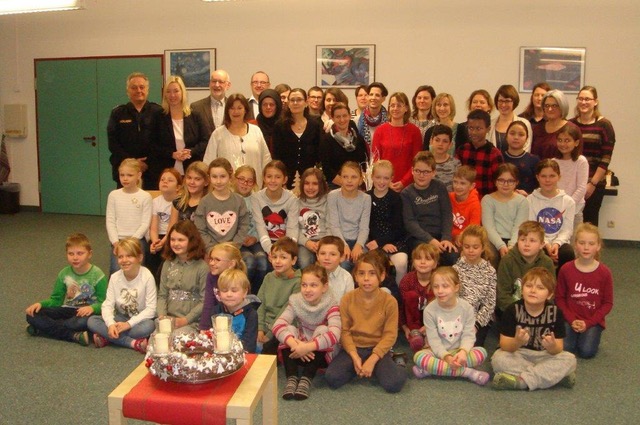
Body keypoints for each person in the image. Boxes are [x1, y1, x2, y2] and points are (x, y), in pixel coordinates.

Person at [324, 251, 407, 393]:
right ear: (356, 277)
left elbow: (390, 334)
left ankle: (395, 362)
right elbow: (345, 331)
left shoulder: (389, 301)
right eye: (361, 274)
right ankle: (362, 366)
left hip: (378, 348)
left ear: (382, 276)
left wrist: (373, 358)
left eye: (372, 274)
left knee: (394, 383)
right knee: (332, 378)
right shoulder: (347, 299)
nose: (366, 279)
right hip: (353, 347)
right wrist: (354, 356)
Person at [492, 267, 577, 390]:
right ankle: (552, 377)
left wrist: (552, 346)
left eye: (540, 288)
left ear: (550, 295)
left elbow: (558, 349)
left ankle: (522, 382)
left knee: (570, 359)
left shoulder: (555, 312)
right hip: (519, 354)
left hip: (545, 355)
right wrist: (517, 342)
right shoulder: (512, 310)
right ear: (522, 290)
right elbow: (504, 345)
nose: (533, 290)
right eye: (528, 286)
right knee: (498, 359)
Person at [273, 264, 341, 400]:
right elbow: (277, 325)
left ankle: (306, 379)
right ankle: (292, 378)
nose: (307, 290)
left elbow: (335, 334)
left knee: (323, 330)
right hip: (298, 351)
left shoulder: (332, 305)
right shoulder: (296, 301)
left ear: (324, 287)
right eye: (304, 285)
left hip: (319, 356)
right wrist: (295, 344)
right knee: (289, 330)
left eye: (313, 285)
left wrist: (308, 347)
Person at [413, 267, 490, 386]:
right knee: (418, 357)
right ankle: (468, 372)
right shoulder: (429, 310)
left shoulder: (467, 308)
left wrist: (463, 351)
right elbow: (434, 340)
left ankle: (432, 370)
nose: (440, 291)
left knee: (481, 352)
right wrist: (447, 357)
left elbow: (468, 335)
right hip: (438, 353)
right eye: (436, 286)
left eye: (445, 286)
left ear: (456, 287)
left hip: (459, 352)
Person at [25, 233, 107, 346]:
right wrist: (40, 304)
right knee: (32, 315)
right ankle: (73, 335)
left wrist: (92, 308)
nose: (75, 257)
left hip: (86, 314)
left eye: (80, 253)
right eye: (71, 254)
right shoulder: (64, 273)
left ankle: (44, 327)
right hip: (68, 310)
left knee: (81, 322)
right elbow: (56, 300)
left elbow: (105, 303)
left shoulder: (98, 274)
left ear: (90, 254)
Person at [87, 238, 157, 352]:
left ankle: (108, 338)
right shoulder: (115, 277)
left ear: (139, 257)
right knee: (92, 321)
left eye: (129, 256)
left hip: (139, 320)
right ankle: (133, 343)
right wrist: (111, 324)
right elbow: (107, 305)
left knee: (149, 326)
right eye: (120, 257)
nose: (124, 260)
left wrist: (129, 324)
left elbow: (151, 309)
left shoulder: (147, 276)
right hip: (120, 317)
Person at [556, 223, 613, 359]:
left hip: (592, 320)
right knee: (565, 348)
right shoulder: (566, 269)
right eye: (582, 243)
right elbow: (559, 298)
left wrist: (589, 323)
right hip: (570, 318)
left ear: (598, 246)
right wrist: (571, 319)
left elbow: (608, 303)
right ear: (575, 245)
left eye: (591, 244)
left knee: (586, 351)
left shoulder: (605, 273)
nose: (586, 247)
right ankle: (575, 334)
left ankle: (587, 334)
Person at [569, 86, 616, 226]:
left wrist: (592, 184)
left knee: (589, 224)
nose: (583, 102)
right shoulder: (570, 124)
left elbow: (605, 159)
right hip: (572, 183)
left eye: (587, 99)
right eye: (580, 99)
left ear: (595, 102)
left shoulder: (604, 125)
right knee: (569, 223)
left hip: (594, 184)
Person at [202, 93, 272, 188]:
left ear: (245, 110)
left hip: (254, 188)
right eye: (232, 108)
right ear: (227, 111)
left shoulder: (256, 131)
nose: (236, 112)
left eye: (239, 108)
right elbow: (208, 162)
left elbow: (266, 160)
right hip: (228, 189)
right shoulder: (218, 134)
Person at [107, 72, 162, 189]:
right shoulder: (118, 113)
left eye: (142, 87)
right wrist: (134, 163)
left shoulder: (158, 112)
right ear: (128, 91)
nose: (138, 90)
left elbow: (163, 141)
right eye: (134, 87)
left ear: (147, 89)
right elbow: (113, 144)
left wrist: (146, 163)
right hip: (126, 170)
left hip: (152, 169)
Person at [401, 151, 456, 265]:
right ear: (412, 171)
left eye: (426, 172)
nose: (421, 175)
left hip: (440, 236)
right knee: (426, 256)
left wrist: (446, 238)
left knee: (453, 257)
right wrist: (430, 240)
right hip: (418, 238)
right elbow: (410, 223)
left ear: (433, 173)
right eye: (418, 171)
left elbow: (447, 214)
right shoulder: (406, 193)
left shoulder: (440, 187)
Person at [152, 76, 208, 181]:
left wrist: (191, 152)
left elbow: (205, 140)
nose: (172, 95)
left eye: (176, 91)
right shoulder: (158, 117)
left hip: (192, 171)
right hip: (166, 172)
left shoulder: (195, 115)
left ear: (182, 93)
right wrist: (172, 154)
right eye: (168, 91)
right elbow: (153, 144)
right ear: (164, 94)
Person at [157, 220, 208, 332]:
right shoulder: (167, 264)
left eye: (181, 240)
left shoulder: (202, 267)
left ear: (192, 241)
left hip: (191, 322)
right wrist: (162, 317)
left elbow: (204, 300)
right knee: (157, 339)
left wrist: (186, 320)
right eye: (172, 239)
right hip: (169, 318)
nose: (175, 244)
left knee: (177, 338)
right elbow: (162, 295)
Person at [106, 158, 153, 275]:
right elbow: (110, 221)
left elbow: (145, 223)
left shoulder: (145, 196)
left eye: (129, 175)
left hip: (137, 239)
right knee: (115, 270)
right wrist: (115, 242)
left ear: (139, 175)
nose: (125, 178)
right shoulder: (113, 195)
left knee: (137, 270)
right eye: (122, 175)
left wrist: (132, 241)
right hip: (118, 240)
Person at [496, 221, 555, 313]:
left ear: (542, 245)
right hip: (511, 311)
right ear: (517, 240)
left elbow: (550, 293)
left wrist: (536, 311)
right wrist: (521, 312)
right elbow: (502, 295)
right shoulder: (507, 261)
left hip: (539, 311)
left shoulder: (547, 263)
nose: (526, 244)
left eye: (532, 240)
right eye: (523, 240)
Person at [366, 160, 409, 284]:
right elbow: (367, 225)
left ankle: (400, 291)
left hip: (394, 241)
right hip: (373, 241)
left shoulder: (396, 198)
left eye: (386, 178)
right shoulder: (366, 197)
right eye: (378, 177)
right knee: (372, 264)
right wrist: (379, 244)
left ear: (392, 178)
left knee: (401, 262)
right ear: (372, 177)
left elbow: (399, 227)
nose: (381, 181)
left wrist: (383, 242)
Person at [528, 159, 576, 271]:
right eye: (543, 176)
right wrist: (546, 244)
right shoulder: (530, 200)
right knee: (538, 253)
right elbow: (532, 228)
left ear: (559, 177)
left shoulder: (568, 202)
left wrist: (556, 244)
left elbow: (567, 230)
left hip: (560, 243)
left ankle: (561, 281)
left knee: (567, 253)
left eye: (552, 176)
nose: (547, 180)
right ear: (537, 177)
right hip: (538, 241)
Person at [453, 225, 496, 347]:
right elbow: (451, 298)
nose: (470, 250)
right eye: (467, 247)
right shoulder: (455, 269)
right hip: (457, 317)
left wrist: (476, 325)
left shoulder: (490, 271)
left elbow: (490, 303)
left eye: (475, 247)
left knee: (471, 349)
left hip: (479, 320)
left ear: (483, 247)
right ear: (462, 246)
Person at [256, 237, 301, 355]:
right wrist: (260, 328)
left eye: (283, 257)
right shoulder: (268, 277)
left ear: (293, 260)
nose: (277, 261)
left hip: (283, 327)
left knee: (268, 351)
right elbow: (260, 304)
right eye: (274, 257)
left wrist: (270, 334)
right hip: (264, 325)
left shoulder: (298, 282)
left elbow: (286, 311)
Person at [371, 92, 423, 192]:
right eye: (392, 105)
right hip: (383, 184)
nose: (395, 108)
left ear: (406, 108)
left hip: (408, 186)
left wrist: (404, 182)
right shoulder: (380, 131)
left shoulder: (415, 131)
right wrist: (386, 181)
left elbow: (417, 161)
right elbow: (375, 160)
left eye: (399, 105)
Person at [194, 157, 250, 250]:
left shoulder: (239, 201)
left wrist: (233, 247)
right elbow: (200, 230)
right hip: (211, 250)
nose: (218, 181)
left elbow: (243, 226)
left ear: (230, 177)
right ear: (209, 178)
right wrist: (212, 249)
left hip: (233, 249)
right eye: (214, 177)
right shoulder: (204, 202)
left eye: (223, 176)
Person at [481, 163, 529, 267]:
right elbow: (489, 227)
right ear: (495, 182)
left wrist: (511, 246)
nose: (505, 184)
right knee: (491, 255)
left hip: (515, 238)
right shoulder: (487, 200)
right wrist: (501, 246)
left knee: (518, 255)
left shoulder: (522, 201)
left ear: (516, 182)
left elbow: (519, 227)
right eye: (501, 180)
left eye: (510, 181)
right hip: (493, 239)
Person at [272, 89, 323, 188]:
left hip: (310, 181)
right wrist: (281, 180)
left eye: (299, 100)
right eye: (292, 100)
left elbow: (319, 154)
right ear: (288, 103)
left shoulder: (315, 125)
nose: (295, 103)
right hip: (285, 181)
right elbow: (276, 156)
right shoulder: (280, 126)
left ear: (306, 102)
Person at [327, 161, 371, 271]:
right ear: (340, 179)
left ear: (360, 180)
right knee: (344, 264)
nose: (349, 180)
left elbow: (364, 227)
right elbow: (334, 225)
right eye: (345, 177)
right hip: (339, 240)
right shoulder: (333, 196)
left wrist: (359, 245)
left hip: (358, 240)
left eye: (354, 177)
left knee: (363, 264)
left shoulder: (366, 198)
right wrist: (344, 245)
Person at [250, 160, 299, 255]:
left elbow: (292, 228)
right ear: (264, 178)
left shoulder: (292, 200)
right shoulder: (256, 198)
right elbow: (260, 227)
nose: (273, 180)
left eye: (277, 177)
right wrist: (271, 251)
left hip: (285, 245)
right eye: (269, 176)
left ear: (284, 180)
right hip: (265, 243)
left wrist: (286, 251)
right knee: (262, 261)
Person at [233, 165, 268, 295]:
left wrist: (255, 238)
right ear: (234, 179)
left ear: (254, 184)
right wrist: (240, 238)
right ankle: (242, 294)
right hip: (236, 241)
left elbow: (261, 223)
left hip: (253, 239)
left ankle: (256, 295)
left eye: (249, 181)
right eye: (241, 179)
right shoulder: (230, 199)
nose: (245, 183)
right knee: (249, 261)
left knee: (263, 262)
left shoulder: (257, 200)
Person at [199, 243, 248, 331]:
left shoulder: (239, 280)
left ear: (231, 264)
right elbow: (208, 304)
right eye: (211, 259)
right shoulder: (211, 276)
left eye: (217, 260)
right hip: (217, 322)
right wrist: (204, 328)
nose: (211, 263)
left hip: (238, 326)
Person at [399, 243, 438, 352]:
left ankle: (430, 334)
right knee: (411, 296)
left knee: (436, 295)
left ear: (435, 264)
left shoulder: (438, 280)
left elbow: (443, 306)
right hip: (412, 321)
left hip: (433, 321)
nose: (423, 262)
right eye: (418, 258)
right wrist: (405, 327)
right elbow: (401, 306)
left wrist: (430, 326)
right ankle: (415, 333)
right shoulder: (407, 280)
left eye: (428, 259)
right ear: (413, 262)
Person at [456, 109, 504, 197]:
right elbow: (456, 176)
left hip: (486, 200)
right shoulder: (462, 150)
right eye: (471, 128)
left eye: (479, 129)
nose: (474, 132)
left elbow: (499, 181)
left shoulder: (494, 154)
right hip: (465, 199)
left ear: (488, 129)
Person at [319, 102, 368, 188]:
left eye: (344, 116)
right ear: (332, 118)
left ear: (349, 116)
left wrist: (358, 181)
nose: (342, 120)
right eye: (338, 117)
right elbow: (327, 169)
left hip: (357, 185)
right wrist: (347, 184)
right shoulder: (326, 140)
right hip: (335, 186)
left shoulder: (358, 138)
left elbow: (364, 163)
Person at [211, 269, 260, 353]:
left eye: (234, 291)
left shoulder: (251, 314)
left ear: (245, 292)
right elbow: (211, 338)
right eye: (224, 290)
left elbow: (249, 346)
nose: (229, 294)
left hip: (243, 354)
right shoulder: (216, 311)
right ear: (219, 293)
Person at [147, 169, 182, 279]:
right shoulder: (155, 202)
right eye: (162, 180)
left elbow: (173, 226)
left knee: (166, 256)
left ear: (178, 187)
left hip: (173, 236)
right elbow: (153, 228)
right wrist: (155, 242)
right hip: (159, 236)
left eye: (170, 180)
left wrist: (162, 243)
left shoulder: (180, 201)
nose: (165, 182)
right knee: (151, 254)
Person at [553, 124, 588, 226]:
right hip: (555, 210)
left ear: (576, 143)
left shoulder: (581, 161)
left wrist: (567, 205)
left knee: (575, 236)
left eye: (567, 140)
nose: (563, 144)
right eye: (560, 140)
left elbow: (581, 188)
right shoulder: (554, 162)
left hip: (575, 210)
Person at [297, 168, 330, 269]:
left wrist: (323, 242)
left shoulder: (328, 201)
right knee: (304, 261)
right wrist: (307, 242)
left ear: (321, 185)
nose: (310, 187)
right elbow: (294, 229)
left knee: (327, 261)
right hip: (305, 241)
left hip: (325, 240)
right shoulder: (296, 203)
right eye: (307, 183)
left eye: (315, 184)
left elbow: (331, 225)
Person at [531, 89, 579, 160]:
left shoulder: (572, 129)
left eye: (554, 105)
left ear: (562, 106)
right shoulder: (537, 129)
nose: (550, 109)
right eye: (547, 105)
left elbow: (576, 157)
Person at [488, 85, 533, 152]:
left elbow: (526, 150)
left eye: (507, 101)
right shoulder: (490, 124)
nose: (503, 105)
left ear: (514, 102)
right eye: (500, 101)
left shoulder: (525, 124)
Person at [190, 69, 231, 139]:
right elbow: (192, 138)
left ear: (228, 85)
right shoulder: (196, 107)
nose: (216, 85)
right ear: (209, 84)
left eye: (221, 82)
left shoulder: (233, 107)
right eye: (214, 81)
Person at [167, 161, 209, 227]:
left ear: (206, 182)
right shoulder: (178, 201)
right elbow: (171, 228)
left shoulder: (210, 203)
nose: (192, 182)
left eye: (197, 179)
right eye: (189, 178)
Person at [502, 121, 540, 194]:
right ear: (506, 136)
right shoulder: (498, 158)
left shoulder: (534, 160)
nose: (516, 137)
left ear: (527, 138)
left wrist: (528, 195)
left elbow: (540, 186)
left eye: (521, 134)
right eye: (512, 133)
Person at [450, 165, 481, 247]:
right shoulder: (449, 197)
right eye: (455, 182)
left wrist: (461, 237)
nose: (457, 186)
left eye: (462, 183)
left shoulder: (475, 204)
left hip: (466, 241)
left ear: (472, 186)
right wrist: (454, 235)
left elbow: (473, 229)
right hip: (448, 238)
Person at [316, 236, 355, 302]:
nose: (327, 258)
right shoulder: (312, 275)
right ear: (317, 256)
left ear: (342, 257)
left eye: (333, 254)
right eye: (323, 253)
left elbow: (349, 303)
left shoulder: (346, 278)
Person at [357, 82, 389, 148]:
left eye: (377, 95)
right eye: (371, 94)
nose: (373, 98)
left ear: (383, 98)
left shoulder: (389, 119)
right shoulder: (357, 120)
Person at [430, 125, 461, 191]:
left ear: (450, 145)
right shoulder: (424, 162)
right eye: (437, 140)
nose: (440, 144)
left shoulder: (456, 164)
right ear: (431, 141)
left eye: (445, 141)